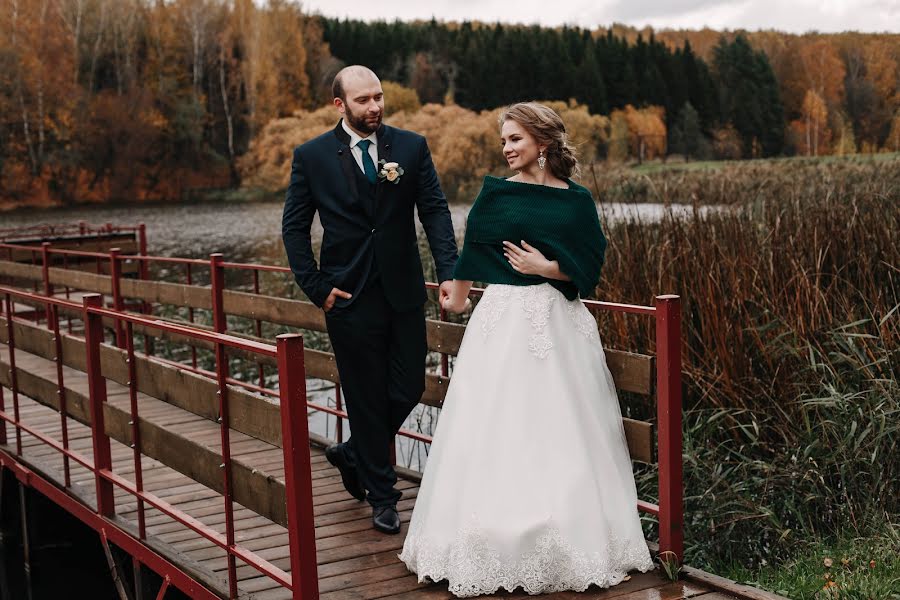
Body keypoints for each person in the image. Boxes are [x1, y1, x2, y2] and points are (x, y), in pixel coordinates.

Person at [399, 102, 654, 595]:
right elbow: (473, 248)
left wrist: (548, 268)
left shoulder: (576, 202)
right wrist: (454, 291)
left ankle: (566, 535)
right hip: (503, 321)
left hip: (558, 322)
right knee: (497, 423)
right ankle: (486, 537)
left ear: (543, 141)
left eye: (515, 139)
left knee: (561, 428)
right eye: (504, 141)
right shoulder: (496, 195)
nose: (508, 149)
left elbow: (589, 260)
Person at [282, 66, 458, 534]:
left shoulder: (411, 148)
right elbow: (294, 229)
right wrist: (317, 287)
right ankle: (383, 496)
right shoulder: (312, 157)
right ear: (339, 105)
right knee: (363, 395)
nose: (375, 107)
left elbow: (435, 211)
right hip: (347, 297)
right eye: (363, 100)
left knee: (408, 388)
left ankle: (354, 452)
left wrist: (449, 272)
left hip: (403, 290)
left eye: (378, 97)